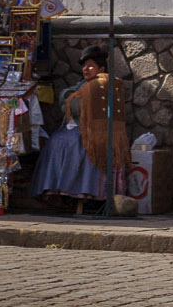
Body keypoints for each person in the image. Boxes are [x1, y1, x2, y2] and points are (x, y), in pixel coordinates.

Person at [30, 47, 130, 212]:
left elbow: (80, 106)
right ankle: (59, 191)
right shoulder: (82, 85)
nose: (86, 69)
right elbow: (67, 100)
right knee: (57, 140)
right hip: (77, 128)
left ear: (101, 69)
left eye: (90, 66)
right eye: (84, 66)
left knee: (80, 143)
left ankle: (85, 191)